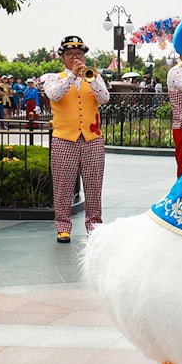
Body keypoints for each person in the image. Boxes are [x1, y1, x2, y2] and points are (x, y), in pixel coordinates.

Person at [41, 36, 110, 242]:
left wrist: (91, 79)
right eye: (70, 55)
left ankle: (94, 225)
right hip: (64, 138)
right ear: (62, 57)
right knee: (63, 185)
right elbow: (55, 95)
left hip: (92, 138)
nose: (75, 58)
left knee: (94, 184)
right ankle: (62, 226)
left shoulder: (94, 77)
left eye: (79, 54)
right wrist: (72, 75)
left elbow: (104, 98)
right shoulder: (53, 78)